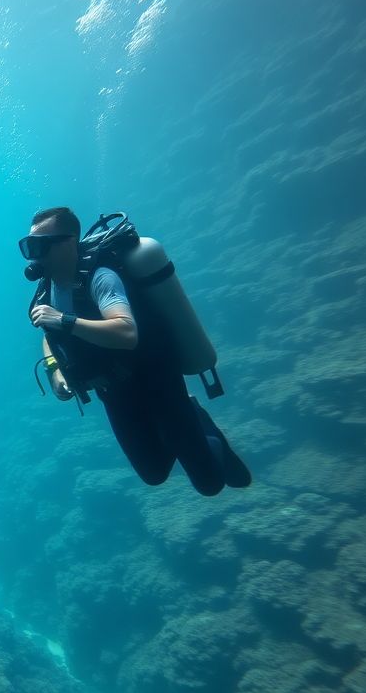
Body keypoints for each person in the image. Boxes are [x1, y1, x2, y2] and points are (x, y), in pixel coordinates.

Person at [22, 206, 250, 496]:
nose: (34, 256)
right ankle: (182, 431)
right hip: (113, 392)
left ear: (69, 242)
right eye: (29, 247)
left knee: (210, 484)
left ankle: (199, 422)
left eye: (41, 246)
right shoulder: (46, 289)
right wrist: (55, 370)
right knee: (154, 474)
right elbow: (49, 332)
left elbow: (126, 333)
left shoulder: (101, 277)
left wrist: (64, 320)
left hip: (155, 381)